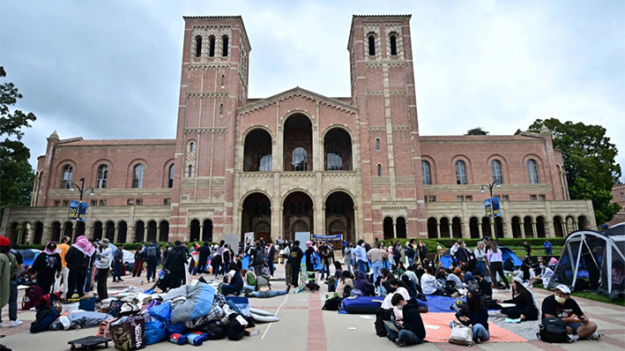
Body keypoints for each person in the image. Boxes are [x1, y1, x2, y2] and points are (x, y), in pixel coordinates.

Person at [0, 236, 21, 328]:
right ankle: (13, 319)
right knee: (12, 300)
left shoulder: (1, 257)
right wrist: (8, 276)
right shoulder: (11, 256)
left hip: (2, 283)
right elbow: (16, 268)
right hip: (11, 281)